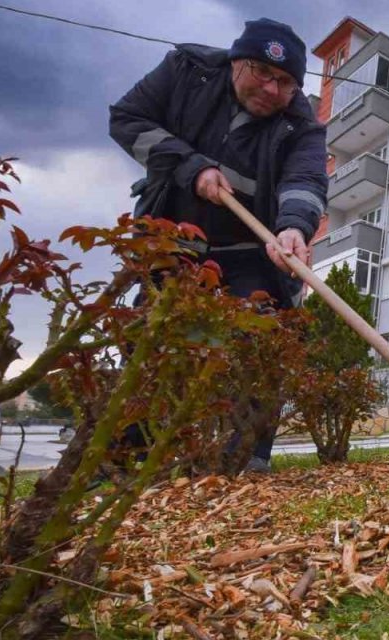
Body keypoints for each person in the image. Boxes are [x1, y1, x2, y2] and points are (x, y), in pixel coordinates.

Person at [109, 18, 327, 472]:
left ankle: (245, 458)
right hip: (175, 239)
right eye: (261, 72)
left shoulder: (301, 123)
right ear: (235, 63)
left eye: (284, 82)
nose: (270, 88)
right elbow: (127, 118)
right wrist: (190, 166)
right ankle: (127, 459)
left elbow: (304, 179)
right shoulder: (186, 72)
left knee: (265, 334)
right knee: (152, 340)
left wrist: (294, 228)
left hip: (250, 248)